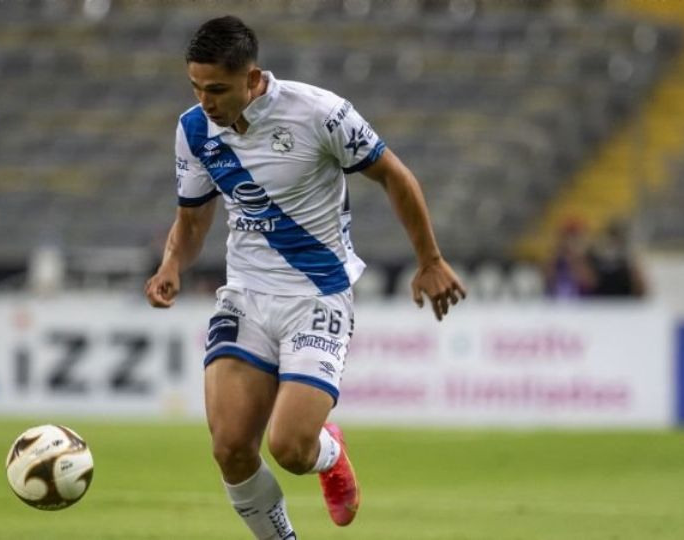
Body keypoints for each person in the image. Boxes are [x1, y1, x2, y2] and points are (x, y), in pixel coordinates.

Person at [145, 16, 466, 539]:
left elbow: (394, 175)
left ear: (252, 79)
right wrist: (171, 264)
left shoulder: (320, 113)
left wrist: (429, 260)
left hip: (317, 297)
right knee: (230, 447)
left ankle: (330, 453)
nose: (205, 101)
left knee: (291, 448)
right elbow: (193, 217)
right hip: (246, 294)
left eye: (217, 89)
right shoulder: (194, 130)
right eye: (196, 87)